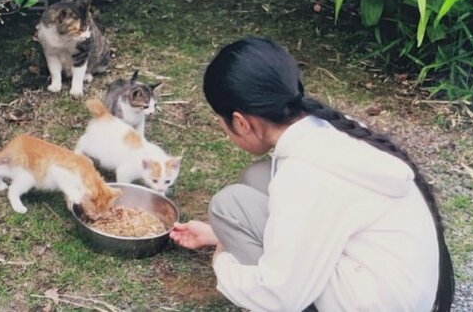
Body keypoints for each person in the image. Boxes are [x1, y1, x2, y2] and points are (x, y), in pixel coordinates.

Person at [169, 37, 454, 312]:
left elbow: (280, 296)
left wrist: (224, 263)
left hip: (370, 300)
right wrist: (218, 236)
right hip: (393, 286)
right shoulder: (326, 129)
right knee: (259, 178)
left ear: (241, 122)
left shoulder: (305, 176)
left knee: (229, 206)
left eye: (222, 123)